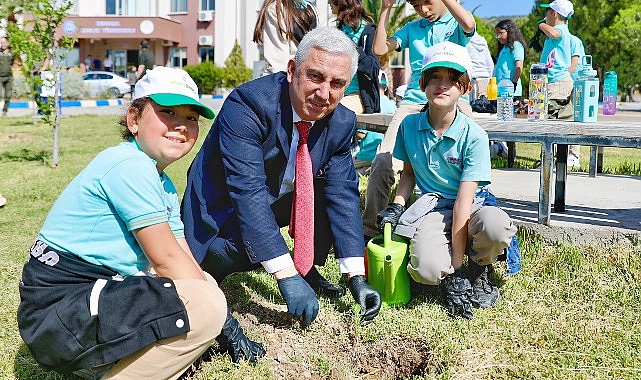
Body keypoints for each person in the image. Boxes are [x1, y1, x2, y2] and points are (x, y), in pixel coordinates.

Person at [181, 26, 382, 363]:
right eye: (314, 76)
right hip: (222, 207)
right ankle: (228, 267)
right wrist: (284, 274)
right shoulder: (247, 105)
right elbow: (247, 193)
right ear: (291, 70)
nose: (323, 93)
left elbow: (343, 194)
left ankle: (309, 269)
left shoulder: (341, 121)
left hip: (279, 194)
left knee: (329, 189)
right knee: (229, 256)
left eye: (337, 84)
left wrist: (356, 274)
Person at [17, 67, 227, 379]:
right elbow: (167, 261)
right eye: (167, 112)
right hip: (58, 311)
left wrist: (214, 307)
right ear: (134, 120)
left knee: (205, 290)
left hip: (80, 301)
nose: (181, 125)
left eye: (191, 117)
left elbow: (182, 258)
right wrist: (217, 318)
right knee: (205, 305)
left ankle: (108, 363)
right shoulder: (129, 165)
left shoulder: (162, 182)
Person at [377, 41, 516, 319]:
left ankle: (479, 268)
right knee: (425, 271)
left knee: (495, 226)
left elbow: (463, 204)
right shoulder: (409, 126)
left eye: (452, 80)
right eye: (435, 78)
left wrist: (458, 268)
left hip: (472, 205)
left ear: (464, 89)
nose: (442, 85)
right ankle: (449, 271)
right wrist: (398, 204)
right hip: (434, 206)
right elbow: (409, 173)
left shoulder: (474, 136)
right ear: (423, 83)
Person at [363, 0, 476, 241]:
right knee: (384, 159)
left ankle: (467, 226)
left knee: (469, 153)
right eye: (416, 5)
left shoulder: (455, 23)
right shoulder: (412, 29)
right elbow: (380, 48)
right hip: (415, 99)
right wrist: (385, 9)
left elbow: (468, 23)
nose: (423, 10)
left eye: (427, 2)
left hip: (453, 97)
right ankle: (371, 231)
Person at [331, 0, 380, 114]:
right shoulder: (339, 30)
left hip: (358, 96)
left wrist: (352, 47)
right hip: (335, 93)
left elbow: (373, 69)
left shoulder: (369, 31)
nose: (328, 2)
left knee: (336, 113)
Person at [253, 0, 318, 76]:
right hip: (304, 76)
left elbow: (277, 64)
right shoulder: (311, 8)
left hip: (294, 77)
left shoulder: (276, 8)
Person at [538, 0, 574, 120]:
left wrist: (541, 25)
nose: (545, 17)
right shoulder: (559, 30)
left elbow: (553, 33)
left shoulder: (562, 29)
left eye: (546, 13)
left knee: (552, 119)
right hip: (552, 82)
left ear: (554, 14)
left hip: (558, 83)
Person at [494, 19, 527, 103]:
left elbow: (519, 66)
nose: (498, 37)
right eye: (497, 34)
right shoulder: (504, 48)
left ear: (510, 32)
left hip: (511, 91)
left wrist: (514, 83)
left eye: (501, 33)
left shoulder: (516, 45)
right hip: (501, 90)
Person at [466, 32, 493, 99]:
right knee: (483, 106)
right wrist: (489, 79)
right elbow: (490, 64)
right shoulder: (482, 41)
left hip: (470, 79)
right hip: (484, 79)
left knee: (469, 106)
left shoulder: (464, 41)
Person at [0, 36, 14, 116]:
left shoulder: (11, 53)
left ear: (8, 43)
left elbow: (12, 64)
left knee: (8, 95)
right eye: (1, 43)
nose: (2, 44)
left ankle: (5, 111)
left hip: (9, 77)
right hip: (0, 77)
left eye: (4, 42)